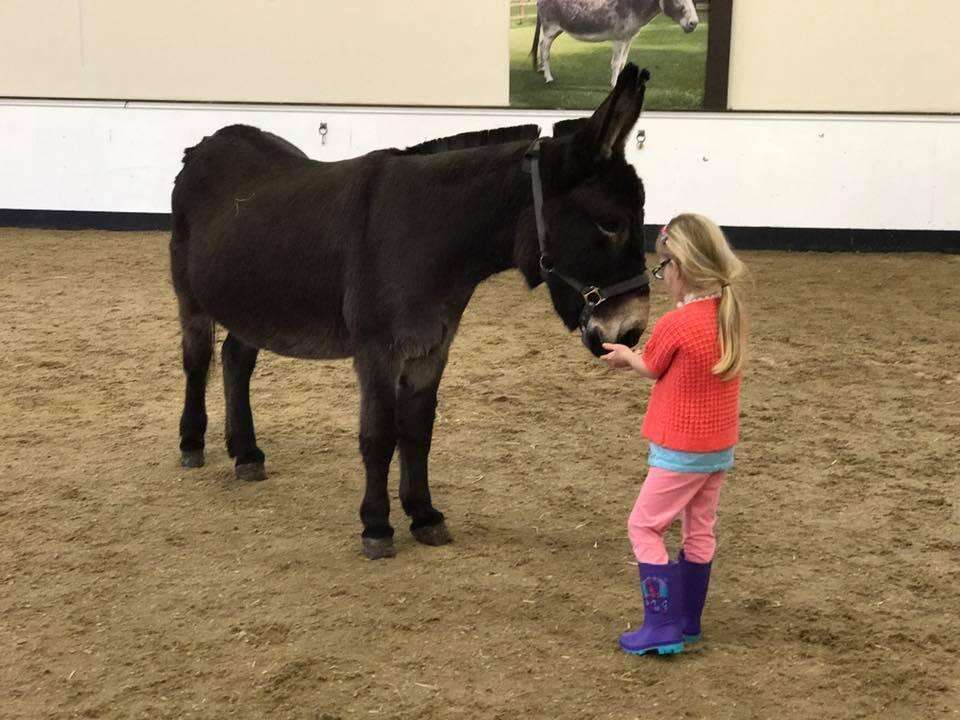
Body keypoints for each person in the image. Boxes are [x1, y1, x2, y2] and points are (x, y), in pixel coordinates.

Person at [600, 213, 747, 656]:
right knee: (700, 529)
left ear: (680, 267)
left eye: (663, 267)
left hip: (679, 451)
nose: (662, 276)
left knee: (644, 526)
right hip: (717, 450)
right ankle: (688, 620)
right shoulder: (727, 314)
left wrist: (628, 356)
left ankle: (660, 623)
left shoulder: (675, 325)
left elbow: (652, 366)